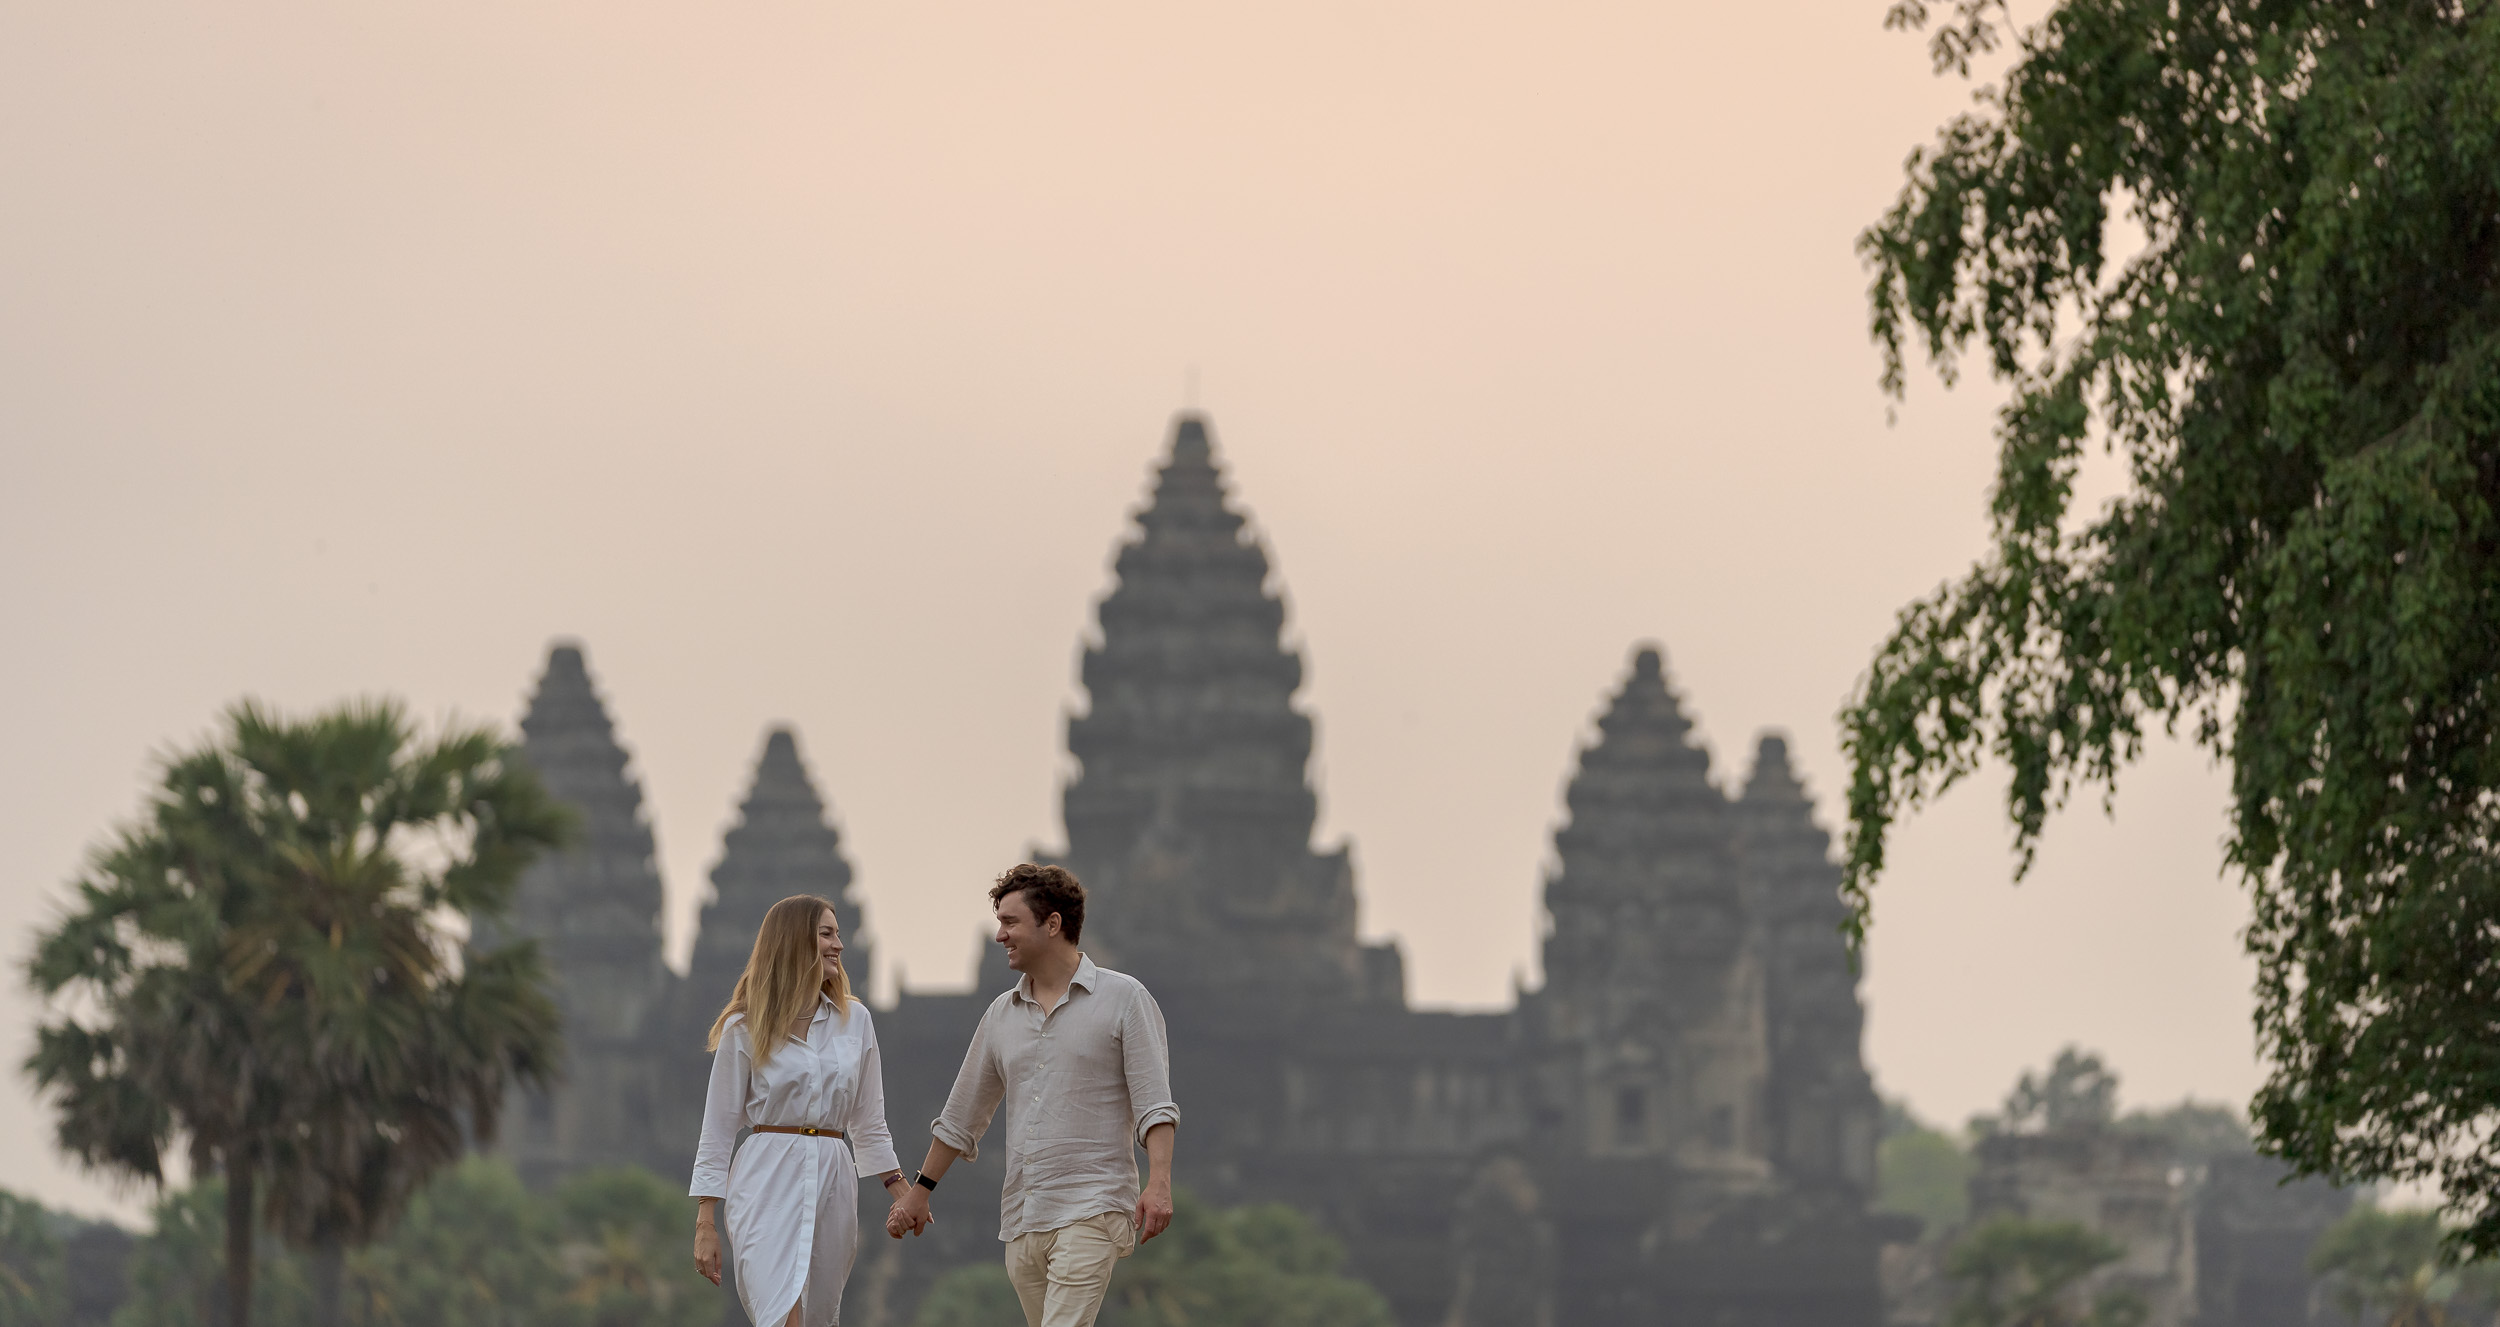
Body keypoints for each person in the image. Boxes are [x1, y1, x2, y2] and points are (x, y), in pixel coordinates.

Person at [886, 863, 1179, 1327]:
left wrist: (1159, 1181)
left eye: (1010, 922)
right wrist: (919, 1193)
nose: (999, 935)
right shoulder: (1002, 1015)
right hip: (1023, 1215)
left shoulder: (1125, 999)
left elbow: (1154, 1104)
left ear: (1054, 924)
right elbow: (962, 1115)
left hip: (1094, 1206)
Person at [691, 895, 904, 1326]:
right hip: (765, 1177)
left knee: (819, 1316)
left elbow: (868, 1119)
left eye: (839, 934)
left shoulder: (855, 1020)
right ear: (794, 942)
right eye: (827, 934)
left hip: (832, 1175)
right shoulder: (743, 1027)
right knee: (779, 1312)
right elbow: (717, 1127)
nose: (839, 945)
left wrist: (904, 1190)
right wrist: (705, 1223)